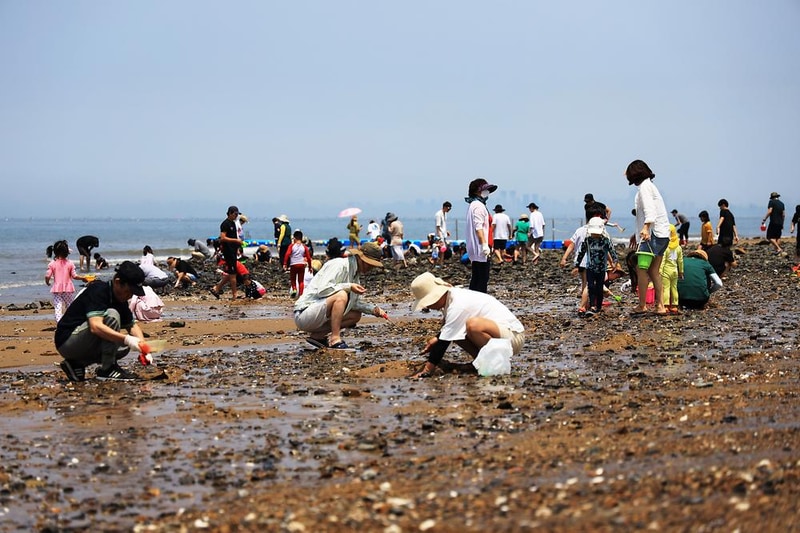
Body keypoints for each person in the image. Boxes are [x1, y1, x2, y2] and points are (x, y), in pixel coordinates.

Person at [408, 272, 525, 379]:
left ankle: (495, 364)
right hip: (499, 333)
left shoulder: (457, 304)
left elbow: (444, 342)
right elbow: (448, 331)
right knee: (453, 332)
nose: (428, 307)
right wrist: (436, 339)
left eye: (428, 302)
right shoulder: (451, 298)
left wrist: (427, 370)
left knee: (473, 325)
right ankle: (481, 362)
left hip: (513, 337)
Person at [55, 261, 149, 381]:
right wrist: (127, 339)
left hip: (82, 342)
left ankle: (77, 364)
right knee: (112, 315)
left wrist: (143, 348)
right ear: (117, 282)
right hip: (67, 340)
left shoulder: (120, 300)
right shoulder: (98, 291)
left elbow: (132, 326)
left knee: (122, 347)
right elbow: (96, 326)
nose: (130, 296)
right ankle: (108, 369)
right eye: (128, 291)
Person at [293, 241, 386, 351]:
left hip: (317, 313)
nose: (371, 268)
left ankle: (318, 336)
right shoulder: (339, 265)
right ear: (361, 258)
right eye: (370, 264)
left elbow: (354, 303)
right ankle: (335, 338)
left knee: (355, 315)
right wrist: (348, 286)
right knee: (341, 295)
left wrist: (373, 309)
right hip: (304, 312)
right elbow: (322, 290)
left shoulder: (354, 274)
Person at [627, 159, 670, 316]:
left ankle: (642, 305)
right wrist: (636, 232)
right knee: (653, 271)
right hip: (662, 235)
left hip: (653, 235)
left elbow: (650, 211)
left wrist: (645, 228)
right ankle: (660, 306)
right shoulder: (650, 186)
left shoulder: (645, 187)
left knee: (641, 269)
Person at [574, 217, 618, 316]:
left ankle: (598, 306)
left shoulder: (606, 240)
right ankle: (593, 305)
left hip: (602, 268)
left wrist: (615, 262)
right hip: (590, 267)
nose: (594, 234)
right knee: (590, 286)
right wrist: (577, 265)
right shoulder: (588, 240)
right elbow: (582, 252)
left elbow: (612, 251)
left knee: (599, 287)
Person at [45, 240, 90, 322]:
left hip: (57, 289)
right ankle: (71, 320)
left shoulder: (52, 263)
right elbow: (74, 276)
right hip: (68, 288)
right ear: (67, 252)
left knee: (58, 306)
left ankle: (59, 322)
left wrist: (47, 282)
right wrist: (83, 278)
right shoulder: (70, 263)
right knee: (70, 305)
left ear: (55, 252)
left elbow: (47, 275)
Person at [465, 178, 497, 293]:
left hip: (477, 248)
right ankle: (478, 305)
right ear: (477, 191)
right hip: (480, 248)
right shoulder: (478, 206)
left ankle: (472, 304)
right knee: (482, 279)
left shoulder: (474, 205)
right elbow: (478, 228)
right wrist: (484, 245)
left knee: (477, 277)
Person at [211, 206, 244, 300]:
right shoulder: (225, 224)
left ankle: (216, 289)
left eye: (237, 214)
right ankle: (235, 295)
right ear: (230, 213)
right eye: (235, 214)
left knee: (231, 272)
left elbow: (233, 236)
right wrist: (236, 241)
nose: (236, 216)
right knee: (233, 273)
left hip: (233, 250)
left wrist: (237, 248)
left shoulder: (233, 223)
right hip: (228, 251)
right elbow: (223, 238)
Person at [659, 225, 684, 314]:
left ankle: (665, 305)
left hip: (666, 270)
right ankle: (674, 305)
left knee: (666, 288)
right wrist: (681, 271)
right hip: (675, 270)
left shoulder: (665, 247)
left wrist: (660, 271)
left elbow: (663, 261)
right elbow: (680, 261)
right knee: (674, 288)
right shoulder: (678, 247)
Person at [283, 230, 313, 298]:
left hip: (293, 264)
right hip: (301, 264)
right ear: (301, 238)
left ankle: (294, 289)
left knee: (293, 279)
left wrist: (285, 263)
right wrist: (310, 267)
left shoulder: (292, 246)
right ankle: (301, 294)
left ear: (294, 238)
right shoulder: (304, 247)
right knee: (301, 281)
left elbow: (287, 254)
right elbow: (308, 257)